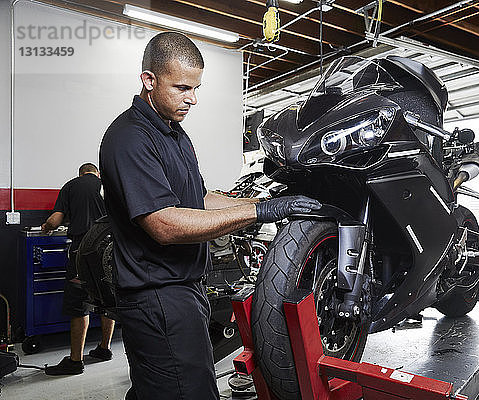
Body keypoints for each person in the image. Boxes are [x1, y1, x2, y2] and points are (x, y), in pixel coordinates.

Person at [99, 32, 321, 400]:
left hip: (185, 289)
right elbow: (164, 224)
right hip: (157, 297)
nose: (193, 99)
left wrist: (261, 202)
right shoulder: (130, 138)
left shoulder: (174, 134)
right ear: (149, 80)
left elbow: (200, 198)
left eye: (196, 87)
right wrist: (260, 212)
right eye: (182, 87)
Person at [43, 163, 116, 376]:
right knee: (108, 299)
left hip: (82, 251)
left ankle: (75, 361)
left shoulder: (71, 186)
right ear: (97, 173)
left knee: (78, 302)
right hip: (111, 252)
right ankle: (104, 348)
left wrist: (47, 227)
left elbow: (55, 219)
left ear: (80, 174)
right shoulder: (109, 184)